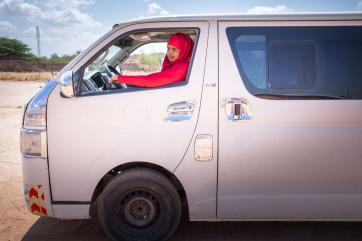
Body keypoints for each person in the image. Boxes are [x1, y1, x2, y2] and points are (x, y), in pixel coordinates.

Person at [108, 32, 194, 87]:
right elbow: (157, 77)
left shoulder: (182, 68)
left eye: (174, 49)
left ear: (184, 50)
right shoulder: (176, 65)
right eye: (168, 48)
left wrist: (120, 78)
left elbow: (152, 80)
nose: (169, 53)